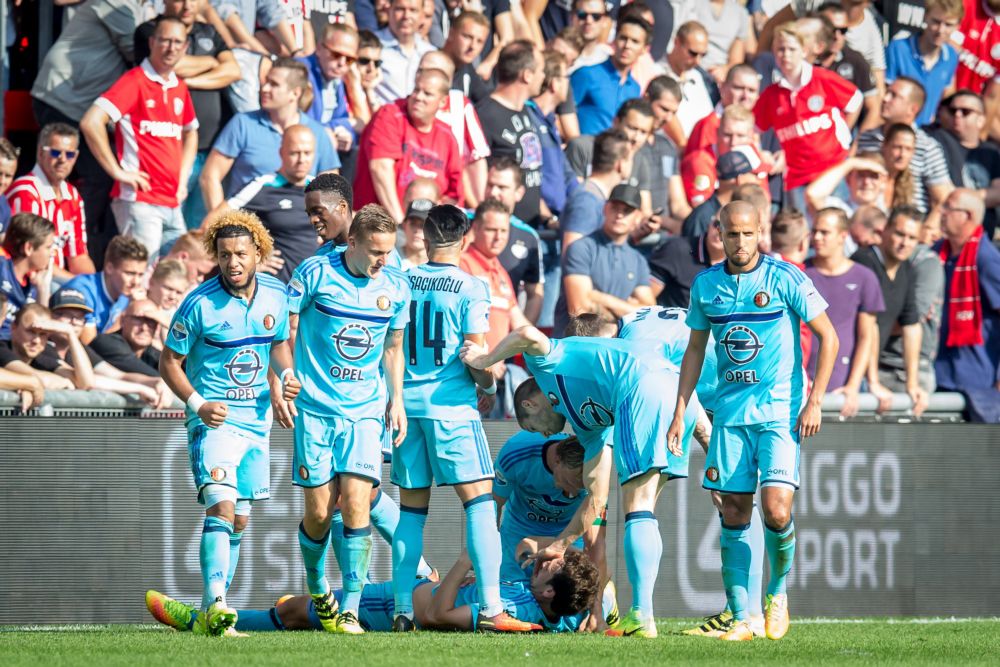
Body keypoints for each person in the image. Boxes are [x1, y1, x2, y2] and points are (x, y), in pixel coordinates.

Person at [459, 319, 703, 638]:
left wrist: (484, 360)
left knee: (638, 508)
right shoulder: (589, 430)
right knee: (645, 511)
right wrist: (560, 546)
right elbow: (597, 501)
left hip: (643, 388)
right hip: (680, 393)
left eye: (535, 426)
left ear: (531, 404)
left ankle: (642, 615)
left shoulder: (546, 366)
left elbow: (527, 333)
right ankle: (641, 612)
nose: (545, 434)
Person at [668, 200, 839, 642]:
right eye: (732, 233)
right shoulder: (706, 286)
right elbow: (693, 351)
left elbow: (829, 337)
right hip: (730, 415)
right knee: (733, 510)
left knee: (777, 511)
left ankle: (777, 593)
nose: (740, 241)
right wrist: (679, 410)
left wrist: (816, 399)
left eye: (748, 233)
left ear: (759, 231)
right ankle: (743, 618)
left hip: (781, 412)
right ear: (718, 234)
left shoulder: (784, 277)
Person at [390, 204, 537, 632]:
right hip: (451, 408)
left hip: (406, 407)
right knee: (478, 503)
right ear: (466, 238)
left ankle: (402, 610)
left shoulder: (403, 281)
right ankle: (492, 609)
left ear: (425, 235)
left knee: (411, 512)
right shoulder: (472, 286)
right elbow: (474, 353)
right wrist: (489, 384)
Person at [159, 210, 298, 637]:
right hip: (214, 423)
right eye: (223, 256)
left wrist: (285, 378)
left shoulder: (276, 294)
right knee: (220, 506)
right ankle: (218, 600)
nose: (232, 263)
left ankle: (208, 613)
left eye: (240, 254)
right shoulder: (199, 303)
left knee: (239, 519)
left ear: (258, 253)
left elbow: (279, 346)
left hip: (257, 423)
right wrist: (198, 404)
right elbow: (169, 362)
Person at [278, 204, 410, 634]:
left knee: (357, 501)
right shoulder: (313, 274)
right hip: (315, 410)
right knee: (319, 512)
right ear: (351, 242)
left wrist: (397, 399)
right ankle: (319, 587)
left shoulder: (396, 286)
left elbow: (393, 347)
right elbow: (284, 333)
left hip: (365, 411)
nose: (382, 261)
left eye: (388, 252)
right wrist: (285, 376)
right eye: (375, 251)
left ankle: (349, 607)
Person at [145, 548, 605, 633]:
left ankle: (200, 621)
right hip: (410, 591)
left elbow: (436, 617)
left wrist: (465, 563)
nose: (547, 565)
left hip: (393, 606)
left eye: (553, 570)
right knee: (300, 611)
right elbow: (585, 601)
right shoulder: (560, 615)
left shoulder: (520, 610)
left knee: (298, 612)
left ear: (547, 594)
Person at [30, 0, 146, 264]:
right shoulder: (117, 3)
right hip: (64, 99)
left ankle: (69, 239)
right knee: (93, 174)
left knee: (86, 176)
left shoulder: (137, 7)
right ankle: (65, 240)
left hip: (74, 101)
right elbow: (141, 53)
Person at [80, 16, 199, 260]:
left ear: (186, 47)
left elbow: (191, 132)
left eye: (178, 42)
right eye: (165, 40)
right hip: (140, 200)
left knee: (181, 273)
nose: (171, 47)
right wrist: (118, 172)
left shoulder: (179, 86)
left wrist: (182, 180)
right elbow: (91, 122)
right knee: (140, 277)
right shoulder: (134, 81)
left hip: (172, 201)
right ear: (152, 42)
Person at [134, 0, 242, 228]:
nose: (187, 5)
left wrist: (188, 83)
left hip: (212, 148)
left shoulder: (209, 31)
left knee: (200, 229)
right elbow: (173, 64)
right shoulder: (149, 31)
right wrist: (212, 62)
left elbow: (233, 70)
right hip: (170, 152)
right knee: (169, 226)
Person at [200, 58, 341, 214]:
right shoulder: (243, 124)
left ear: (295, 93)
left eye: (274, 84)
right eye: (265, 81)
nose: (264, 88)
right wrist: (224, 226)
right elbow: (210, 176)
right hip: (248, 229)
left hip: (296, 230)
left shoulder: (317, 133)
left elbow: (330, 191)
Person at [753, 22, 862, 211]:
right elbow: (753, 129)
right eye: (780, 49)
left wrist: (844, 134)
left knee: (833, 225)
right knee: (802, 233)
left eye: (791, 49)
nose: (785, 55)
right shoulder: (772, 95)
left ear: (804, 51)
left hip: (831, 170)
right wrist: (761, 153)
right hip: (797, 178)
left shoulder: (822, 78)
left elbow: (855, 100)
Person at [353, 67, 463, 223]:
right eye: (416, 90)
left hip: (423, 234)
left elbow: (453, 195)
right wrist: (400, 224)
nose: (418, 97)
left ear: (443, 101)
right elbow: (380, 169)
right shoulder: (390, 116)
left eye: (428, 94)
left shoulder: (447, 137)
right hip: (379, 225)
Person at [804, 208, 885, 418]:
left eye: (824, 232)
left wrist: (853, 386)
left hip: (843, 391)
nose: (817, 237)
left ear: (843, 236)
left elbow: (867, 336)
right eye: (815, 231)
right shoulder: (800, 273)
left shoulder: (865, 277)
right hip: (802, 388)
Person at [852, 205, 930, 414]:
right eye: (899, 234)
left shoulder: (907, 269)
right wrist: (873, 381)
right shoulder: (863, 262)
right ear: (884, 231)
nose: (905, 243)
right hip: (848, 371)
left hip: (865, 375)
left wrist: (912, 384)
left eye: (912, 238)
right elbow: (869, 326)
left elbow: (911, 326)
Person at [554, 184, 654, 336]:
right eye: (615, 207)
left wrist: (601, 299)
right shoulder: (581, 248)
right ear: (605, 208)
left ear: (637, 217)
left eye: (627, 211)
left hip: (614, 349)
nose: (619, 215)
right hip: (574, 346)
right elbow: (580, 311)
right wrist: (628, 309)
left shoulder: (638, 261)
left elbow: (649, 315)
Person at [221, 125, 317, 282]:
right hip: (276, 289)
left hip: (314, 290)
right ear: (281, 153)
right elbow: (213, 222)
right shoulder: (263, 186)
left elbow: (346, 226)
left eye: (307, 153)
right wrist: (248, 260)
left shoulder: (321, 188)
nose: (301, 160)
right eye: (294, 153)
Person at [6, 123, 95, 280]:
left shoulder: (73, 195)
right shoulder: (26, 191)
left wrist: (92, 286)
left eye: (69, 155)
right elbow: (30, 258)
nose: (62, 160)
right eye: (55, 152)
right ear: (40, 153)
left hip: (56, 278)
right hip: (30, 278)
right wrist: (76, 284)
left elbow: (78, 256)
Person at [934, 188, 1000, 393]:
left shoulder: (986, 259)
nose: (941, 212)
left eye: (948, 207)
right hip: (938, 373)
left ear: (968, 216)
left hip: (978, 380)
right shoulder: (937, 254)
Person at [857, 77, 954, 215]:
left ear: (912, 109)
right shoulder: (867, 138)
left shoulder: (927, 147)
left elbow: (943, 198)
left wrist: (927, 227)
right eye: (887, 92)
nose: (885, 98)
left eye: (894, 96)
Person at [475, 40, 546, 226]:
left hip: (529, 226)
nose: (544, 77)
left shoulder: (525, 110)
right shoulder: (484, 115)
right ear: (527, 75)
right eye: (541, 71)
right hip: (498, 231)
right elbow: (473, 177)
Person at [925, 90, 1000, 241]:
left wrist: (962, 199)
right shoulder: (937, 140)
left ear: (981, 120)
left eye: (965, 112)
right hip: (944, 235)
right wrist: (980, 199)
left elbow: (998, 194)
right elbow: (944, 193)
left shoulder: (991, 152)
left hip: (981, 238)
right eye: (953, 111)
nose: (957, 115)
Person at [460, 200, 531, 353]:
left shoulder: (501, 272)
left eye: (504, 230)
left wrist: (548, 348)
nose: (499, 237)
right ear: (476, 229)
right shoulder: (463, 266)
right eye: (492, 230)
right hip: (472, 367)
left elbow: (518, 321)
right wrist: (486, 360)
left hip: (495, 368)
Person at [483, 160, 544, 324]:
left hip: (503, 335)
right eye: (490, 185)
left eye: (502, 187)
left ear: (519, 193)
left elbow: (535, 294)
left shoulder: (528, 237)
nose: (493, 192)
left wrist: (520, 340)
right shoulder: (462, 224)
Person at [298, 24, 367, 167]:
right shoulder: (300, 72)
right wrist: (347, 124)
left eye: (349, 59)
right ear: (319, 48)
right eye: (336, 54)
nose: (342, 63)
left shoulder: (334, 77)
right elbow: (303, 123)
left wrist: (347, 136)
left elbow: (340, 118)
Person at [885, 0, 962, 127]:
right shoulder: (898, 48)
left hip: (925, 133)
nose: (940, 30)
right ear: (925, 17)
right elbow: (883, 94)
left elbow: (946, 93)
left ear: (957, 26)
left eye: (948, 25)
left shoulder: (951, 57)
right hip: (893, 128)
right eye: (936, 22)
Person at [568, 14, 647, 136]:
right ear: (614, 40)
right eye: (623, 38)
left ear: (644, 49)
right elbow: (559, 114)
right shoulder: (587, 74)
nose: (627, 46)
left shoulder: (635, 89)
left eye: (635, 41)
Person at [62, 235, 148, 344]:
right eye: (130, 273)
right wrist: (127, 313)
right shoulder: (82, 292)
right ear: (109, 268)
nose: (136, 282)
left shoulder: (126, 294)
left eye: (140, 275)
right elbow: (92, 346)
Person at [560, 129, 632, 251]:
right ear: (620, 164)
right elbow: (572, 254)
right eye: (630, 158)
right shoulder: (586, 201)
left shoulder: (595, 196)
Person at [816, 3, 881, 133]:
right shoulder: (801, 58)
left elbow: (874, 108)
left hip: (840, 142)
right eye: (831, 30)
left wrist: (854, 144)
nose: (837, 36)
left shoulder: (855, 61)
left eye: (843, 31)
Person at [648, 218, 726, 309]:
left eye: (728, 228)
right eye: (717, 224)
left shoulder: (741, 266)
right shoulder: (676, 250)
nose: (719, 231)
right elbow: (643, 302)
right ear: (709, 223)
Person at [0, 213, 56, 340]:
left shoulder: (33, 284)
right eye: (48, 247)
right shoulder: (2, 269)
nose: (52, 253)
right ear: (29, 248)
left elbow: (42, 331)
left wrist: (43, 290)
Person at [662, 21, 720, 141]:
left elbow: (707, 117)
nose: (697, 61)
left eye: (703, 55)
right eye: (692, 53)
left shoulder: (697, 76)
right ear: (676, 42)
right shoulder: (656, 72)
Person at [374, 0, 436, 106]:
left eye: (413, 10)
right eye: (400, 9)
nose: (406, 16)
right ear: (389, 10)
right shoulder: (372, 47)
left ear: (422, 15)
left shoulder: (431, 53)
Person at [90, 298, 169, 377]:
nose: (144, 328)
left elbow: (177, 370)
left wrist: (168, 326)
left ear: (157, 327)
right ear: (123, 320)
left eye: (151, 321)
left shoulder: (152, 354)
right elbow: (158, 378)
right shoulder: (106, 343)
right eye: (138, 319)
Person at [442, 10, 492, 104]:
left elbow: (486, 103)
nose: (472, 46)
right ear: (451, 33)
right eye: (467, 37)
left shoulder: (467, 68)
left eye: (479, 41)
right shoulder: (430, 64)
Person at [400, 198, 433, 269]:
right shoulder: (389, 260)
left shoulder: (441, 267)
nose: (417, 230)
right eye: (413, 224)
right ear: (404, 225)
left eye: (423, 225)